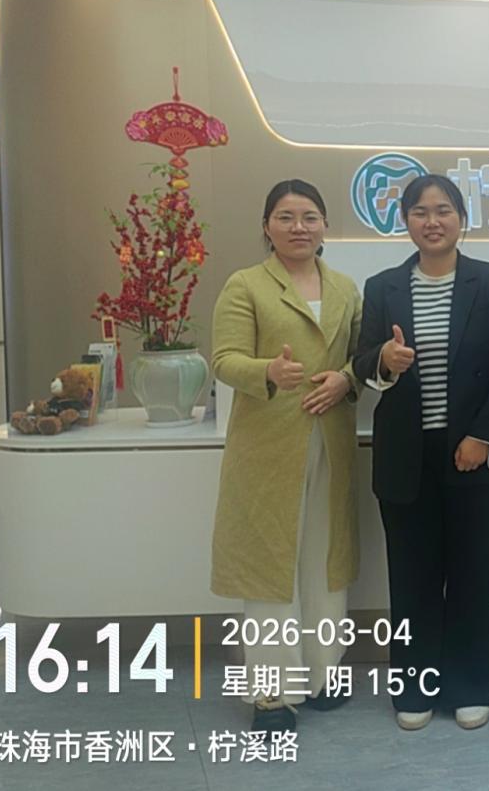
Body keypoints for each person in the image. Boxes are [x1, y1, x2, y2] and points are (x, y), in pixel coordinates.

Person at [352, 174, 489, 732]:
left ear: (461, 219)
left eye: (443, 210)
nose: (432, 221)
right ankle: (415, 685)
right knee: (412, 578)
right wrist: (384, 361)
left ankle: (472, 685)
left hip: (473, 450)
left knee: (473, 574)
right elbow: (362, 364)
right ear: (405, 221)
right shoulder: (382, 287)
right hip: (407, 456)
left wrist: (482, 437)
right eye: (420, 212)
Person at [211, 179, 363, 732]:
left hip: (331, 441)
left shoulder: (345, 287)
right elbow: (224, 359)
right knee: (269, 568)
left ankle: (323, 675)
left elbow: (362, 358)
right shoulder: (245, 285)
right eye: (285, 217)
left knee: (325, 560)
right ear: (267, 226)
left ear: (324, 226)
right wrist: (268, 372)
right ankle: (271, 694)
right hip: (267, 447)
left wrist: (346, 379)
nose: (299, 227)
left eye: (309, 217)